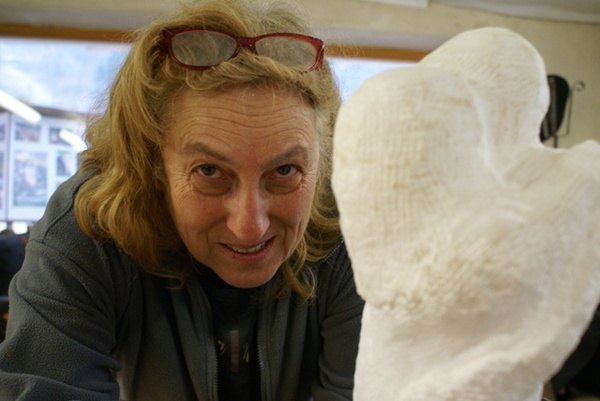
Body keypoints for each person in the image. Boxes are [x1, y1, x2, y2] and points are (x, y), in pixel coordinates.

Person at [0, 0, 364, 400]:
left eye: (285, 171)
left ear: (322, 162)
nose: (250, 226)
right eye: (209, 171)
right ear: (153, 163)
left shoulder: (354, 226)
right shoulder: (90, 224)